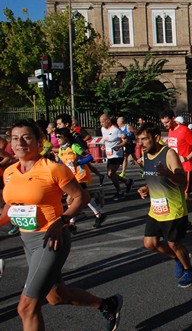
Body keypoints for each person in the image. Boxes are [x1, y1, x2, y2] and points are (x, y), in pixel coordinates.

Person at [0, 119, 122, 330]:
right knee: (56, 296)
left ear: (39, 142)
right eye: (15, 138)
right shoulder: (10, 172)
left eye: (27, 137)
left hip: (51, 239)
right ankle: (106, 305)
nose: (20, 143)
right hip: (27, 241)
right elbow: (10, 207)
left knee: (26, 308)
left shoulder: (53, 169)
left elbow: (81, 197)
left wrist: (62, 220)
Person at [136, 123, 192, 288]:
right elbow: (155, 179)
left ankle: (190, 270)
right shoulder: (146, 154)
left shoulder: (169, 154)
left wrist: (167, 173)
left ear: (156, 138)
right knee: (150, 244)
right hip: (156, 208)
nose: (140, 143)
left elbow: (182, 181)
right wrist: (146, 188)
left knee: (174, 244)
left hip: (173, 208)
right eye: (139, 140)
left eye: (144, 139)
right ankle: (178, 258)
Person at [55, 128, 107, 230]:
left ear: (65, 137)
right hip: (71, 176)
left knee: (71, 198)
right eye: (56, 137)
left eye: (59, 137)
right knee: (84, 197)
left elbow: (89, 157)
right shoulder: (61, 149)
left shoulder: (74, 147)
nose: (57, 139)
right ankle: (99, 214)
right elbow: (61, 163)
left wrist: (78, 163)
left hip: (80, 175)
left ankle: (71, 224)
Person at [55, 113, 105, 185]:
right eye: (57, 124)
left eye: (59, 124)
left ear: (66, 124)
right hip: (71, 167)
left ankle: (96, 177)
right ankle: (99, 176)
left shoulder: (75, 136)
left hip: (78, 167)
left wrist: (80, 160)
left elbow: (86, 153)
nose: (57, 126)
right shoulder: (62, 137)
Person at [99, 114, 134, 201]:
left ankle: (119, 192)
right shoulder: (103, 129)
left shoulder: (116, 130)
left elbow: (126, 139)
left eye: (102, 122)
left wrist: (119, 145)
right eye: (100, 122)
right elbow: (105, 139)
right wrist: (104, 145)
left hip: (117, 155)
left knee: (111, 173)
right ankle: (127, 182)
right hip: (109, 155)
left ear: (108, 120)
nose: (101, 124)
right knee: (110, 174)